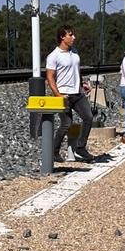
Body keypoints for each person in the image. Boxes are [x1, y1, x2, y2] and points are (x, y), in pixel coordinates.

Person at [46, 25, 95, 162]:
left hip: (77, 93)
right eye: (70, 35)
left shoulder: (75, 52)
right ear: (62, 37)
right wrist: (58, 95)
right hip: (64, 95)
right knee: (66, 124)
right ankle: (54, 152)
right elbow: (50, 77)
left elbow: (76, 71)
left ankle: (80, 147)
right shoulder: (54, 56)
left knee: (88, 117)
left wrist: (82, 84)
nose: (74, 37)